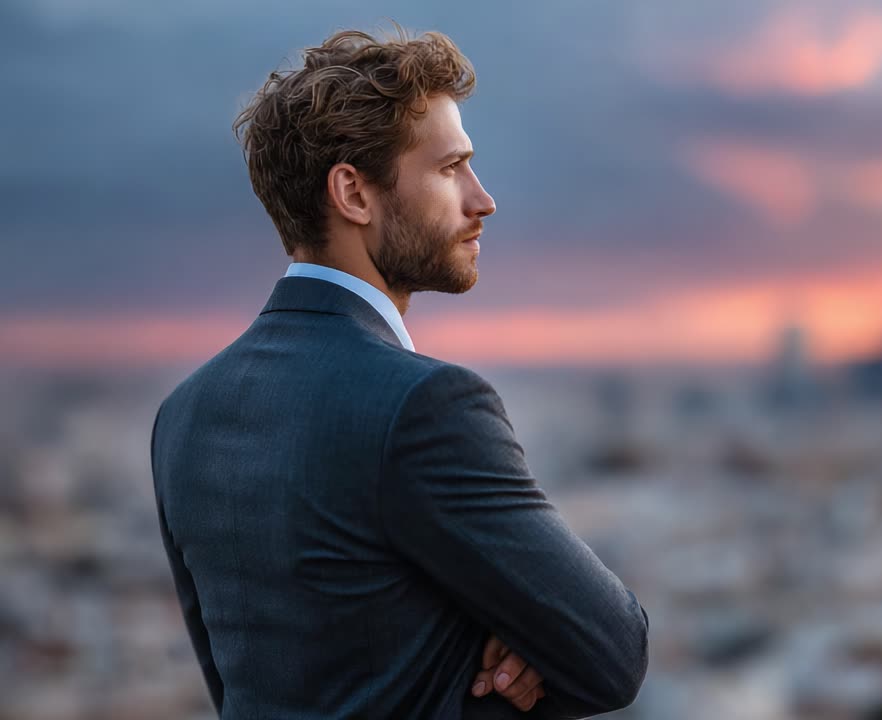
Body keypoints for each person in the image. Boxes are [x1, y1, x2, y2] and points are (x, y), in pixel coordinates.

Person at [149, 27, 648, 719]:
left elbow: (242, 689)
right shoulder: (423, 405)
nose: (483, 200)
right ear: (353, 193)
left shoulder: (185, 413)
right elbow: (614, 654)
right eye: (451, 169)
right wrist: (508, 644)